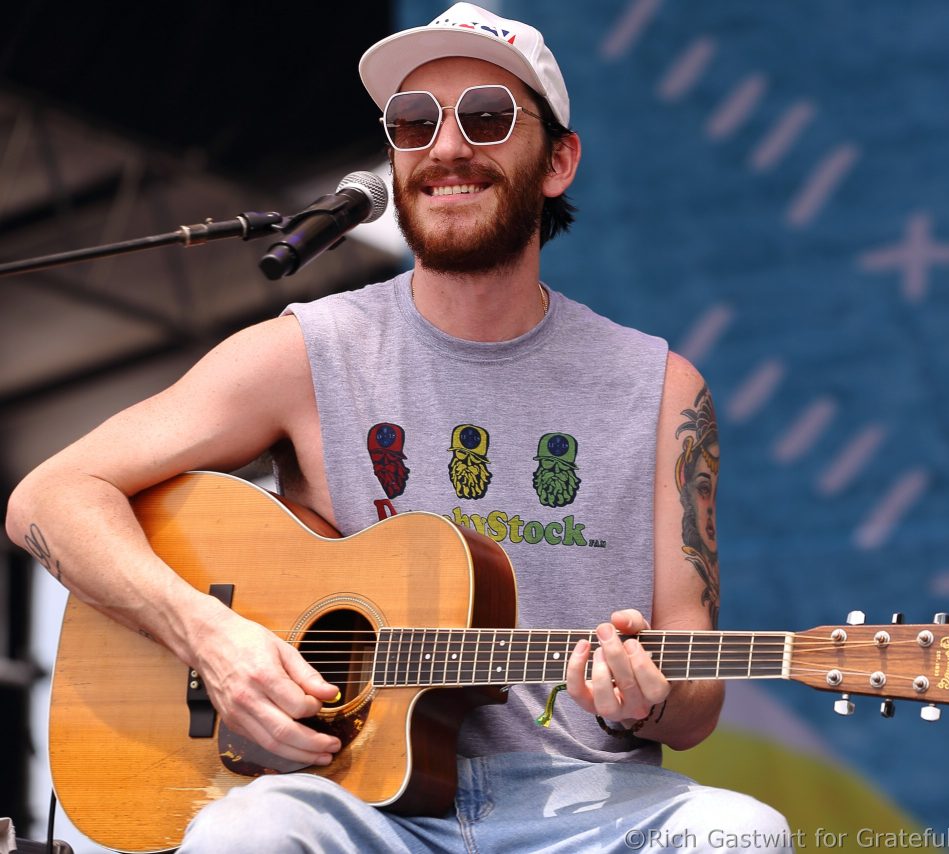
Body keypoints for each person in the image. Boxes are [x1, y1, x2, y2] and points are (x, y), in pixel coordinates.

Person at [6, 4, 791, 851]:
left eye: (487, 116)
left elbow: (694, 696)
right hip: (351, 802)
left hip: (590, 806)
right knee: (249, 833)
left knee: (741, 832)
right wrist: (211, 638)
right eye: (414, 122)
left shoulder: (663, 389)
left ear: (559, 161)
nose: (446, 146)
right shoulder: (308, 351)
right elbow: (49, 497)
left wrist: (650, 700)